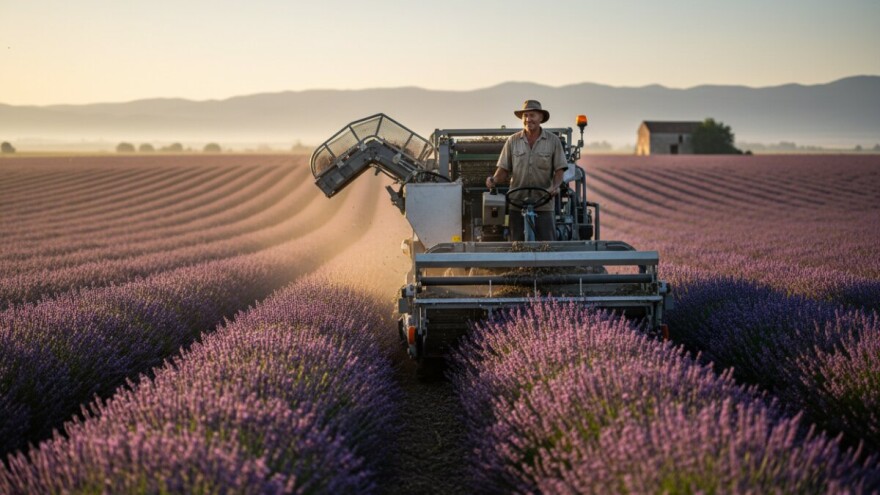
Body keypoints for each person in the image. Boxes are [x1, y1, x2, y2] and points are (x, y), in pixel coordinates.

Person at [486, 100, 567, 241]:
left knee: (547, 245)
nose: (528, 119)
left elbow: (559, 171)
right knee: (515, 245)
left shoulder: (553, 141)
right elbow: (503, 170)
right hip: (517, 204)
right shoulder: (512, 141)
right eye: (525, 116)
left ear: (541, 118)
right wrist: (493, 180)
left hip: (543, 203)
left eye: (532, 115)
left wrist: (554, 187)